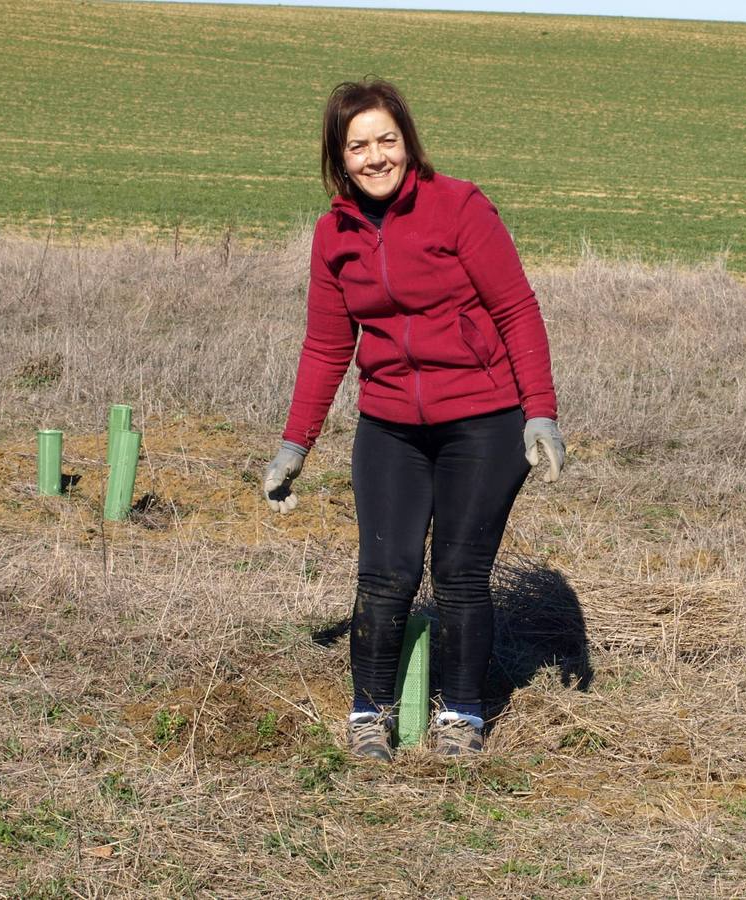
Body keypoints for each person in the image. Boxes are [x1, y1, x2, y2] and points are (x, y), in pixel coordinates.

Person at [262, 78, 565, 761]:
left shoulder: (458, 206)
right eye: (359, 145)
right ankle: (371, 713)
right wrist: (294, 442)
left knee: (459, 571)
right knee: (385, 573)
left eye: (388, 141)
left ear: (408, 143)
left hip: (483, 421)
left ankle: (461, 715)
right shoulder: (332, 234)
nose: (376, 157)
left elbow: (517, 309)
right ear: (339, 157)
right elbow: (326, 344)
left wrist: (539, 413)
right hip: (391, 424)